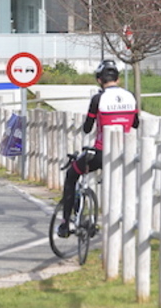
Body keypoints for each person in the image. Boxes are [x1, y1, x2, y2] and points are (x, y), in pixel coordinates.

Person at [58, 59, 139, 238]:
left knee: (72, 175)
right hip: (125, 153)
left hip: (102, 153)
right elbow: (135, 123)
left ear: (99, 80)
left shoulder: (98, 98)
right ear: (117, 79)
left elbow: (87, 127)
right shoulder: (130, 96)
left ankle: (65, 223)